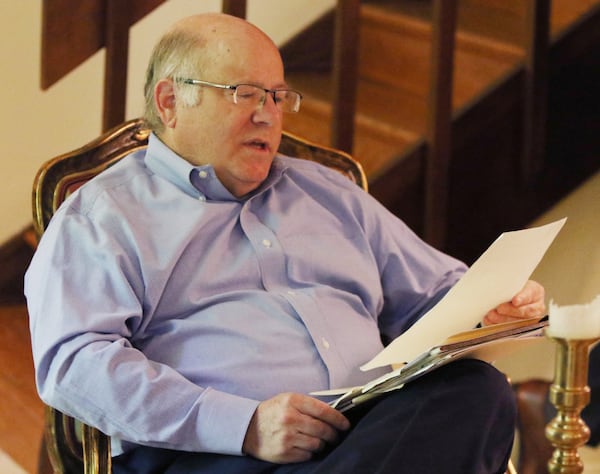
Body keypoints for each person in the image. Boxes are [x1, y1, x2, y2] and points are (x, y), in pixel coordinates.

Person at [25, 13, 547, 474]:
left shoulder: (328, 193)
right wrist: (244, 426)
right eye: (245, 93)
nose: (268, 114)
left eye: (278, 96)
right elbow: (75, 362)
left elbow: (437, 293)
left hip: (371, 430)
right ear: (171, 101)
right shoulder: (102, 217)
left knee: (476, 391)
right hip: (219, 455)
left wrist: (489, 308)